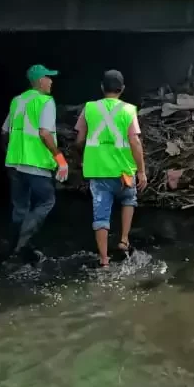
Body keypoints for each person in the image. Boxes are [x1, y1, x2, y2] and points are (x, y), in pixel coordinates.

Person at [74, 69, 148, 268]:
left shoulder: (89, 108)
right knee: (128, 200)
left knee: (101, 215)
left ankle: (104, 260)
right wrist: (141, 171)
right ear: (122, 89)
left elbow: (79, 140)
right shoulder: (129, 110)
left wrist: (84, 156)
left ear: (101, 87)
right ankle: (124, 240)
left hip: (98, 172)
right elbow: (135, 142)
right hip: (124, 171)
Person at [1, 64, 68, 263]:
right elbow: (44, 132)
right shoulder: (45, 101)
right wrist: (61, 160)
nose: (51, 81)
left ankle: (16, 249)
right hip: (36, 164)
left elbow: (4, 132)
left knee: (20, 208)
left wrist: (9, 153)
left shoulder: (17, 101)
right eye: (49, 77)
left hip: (14, 164)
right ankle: (21, 245)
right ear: (40, 81)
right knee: (47, 202)